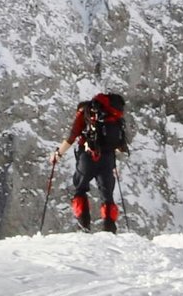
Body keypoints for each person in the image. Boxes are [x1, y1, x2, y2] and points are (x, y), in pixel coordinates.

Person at [55, 91, 130, 232]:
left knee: (80, 188)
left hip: (88, 157)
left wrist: (58, 153)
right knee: (107, 195)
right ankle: (109, 229)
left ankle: (84, 226)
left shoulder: (85, 113)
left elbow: (72, 137)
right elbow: (121, 147)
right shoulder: (113, 116)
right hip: (108, 160)